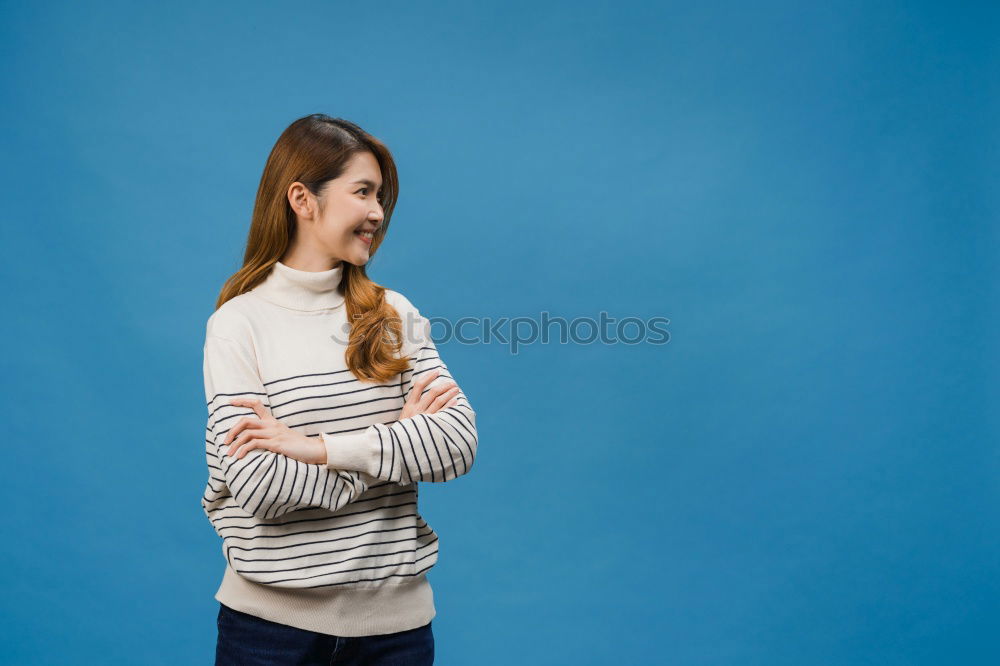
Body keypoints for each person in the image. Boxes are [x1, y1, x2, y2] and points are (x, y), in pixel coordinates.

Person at [201, 114, 478, 665]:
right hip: (269, 634)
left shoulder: (392, 313)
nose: (378, 212)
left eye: (381, 196)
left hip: (396, 634)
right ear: (302, 199)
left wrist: (317, 447)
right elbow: (259, 485)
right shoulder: (238, 324)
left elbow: (456, 443)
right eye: (362, 192)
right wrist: (395, 442)